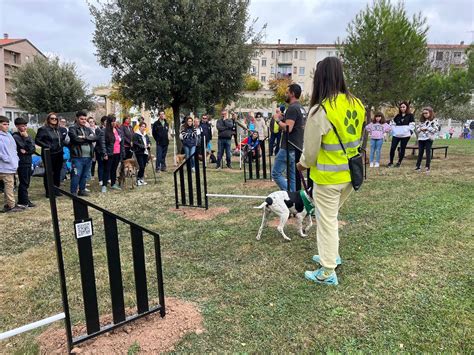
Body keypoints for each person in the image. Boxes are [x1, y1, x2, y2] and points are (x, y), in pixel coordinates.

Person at [297, 57, 365, 286]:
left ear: (320, 78)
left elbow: (311, 152)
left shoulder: (321, 110)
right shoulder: (357, 103)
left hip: (328, 178)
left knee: (326, 221)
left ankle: (327, 270)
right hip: (351, 175)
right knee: (330, 218)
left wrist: (302, 164)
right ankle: (331, 256)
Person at [271, 83, 306, 192]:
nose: (285, 94)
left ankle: (290, 194)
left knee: (276, 173)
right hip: (297, 147)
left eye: (287, 92)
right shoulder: (301, 108)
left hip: (288, 147)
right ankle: (294, 198)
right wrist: (284, 116)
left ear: (292, 94)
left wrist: (277, 120)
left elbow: (288, 128)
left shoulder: (292, 108)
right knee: (292, 177)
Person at [68, 111, 97, 196]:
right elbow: (76, 139)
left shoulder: (87, 129)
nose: (84, 121)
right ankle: (73, 192)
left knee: (84, 175)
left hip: (88, 156)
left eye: (85, 119)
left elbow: (95, 138)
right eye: (81, 119)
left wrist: (84, 137)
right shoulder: (72, 128)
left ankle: (82, 190)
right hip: (77, 157)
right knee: (76, 175)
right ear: (77, 118)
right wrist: (88, 138)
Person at [35, 112, 64, 197]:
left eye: (55, 118)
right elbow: (37, 140)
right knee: (49, 172)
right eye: (52, 118)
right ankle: (49, 191)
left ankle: (56, 190)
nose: (54, 120)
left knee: (57, 172)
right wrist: (47, 146)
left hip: (59, 153)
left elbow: (61, 140)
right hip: (49, 153)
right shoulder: (43, 129)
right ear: (48, 119)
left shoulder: (58, 129)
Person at [0, 116, 23, 212]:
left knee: (10, 185)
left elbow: (13, 149)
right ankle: (11, 206)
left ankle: (8, 204)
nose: (7, 126)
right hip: (4, 166)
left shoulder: (8, 135)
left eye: (8, 124)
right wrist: (7, 159)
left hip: (12, 165)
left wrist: (15, 159)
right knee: (9, 185)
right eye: (4, 124)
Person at [12, 117, 36, 208]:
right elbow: (23, 147)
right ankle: (23, 201)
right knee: (24, 181)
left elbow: (32, 149)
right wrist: (26, 141)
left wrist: (27, 139)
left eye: (26, 125)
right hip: (22, 161)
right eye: (23, 126)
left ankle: (24, 199)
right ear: (17, 126)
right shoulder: (16, 136)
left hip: (28, 160)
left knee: (27, 181)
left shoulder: (26, 135)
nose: (25, 128)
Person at [387, 101, 415, 167]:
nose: (402, 108)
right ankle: (391, 162)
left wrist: (407, 130)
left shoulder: (410, 116)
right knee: (393, 148)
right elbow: (393, 124)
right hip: (396, 135)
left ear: (407, 107)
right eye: (401, 107)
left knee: (402, 148)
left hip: (405, 135)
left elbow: (412, 125)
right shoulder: (397, 116)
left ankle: (399, 162)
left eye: (404, 107)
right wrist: (394, 130)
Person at [102, 115, 124, 192]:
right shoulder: (105, 131)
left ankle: (113, 183)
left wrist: (122, 153)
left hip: (117, 153)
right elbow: (103, 143)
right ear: (109, 122)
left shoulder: (118, 131)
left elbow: (121, 143)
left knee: (114, 169)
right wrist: (105, 153)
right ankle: (104, 185)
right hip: (109, 153)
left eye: (115, 121)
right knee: (107, 169)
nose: (114, 123)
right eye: (112, 121)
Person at [415, 107, 439, 173]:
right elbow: (417, 129)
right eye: (423, 113)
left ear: (430, 113)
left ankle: (427, 166)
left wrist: (427, 129)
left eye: (426, 113)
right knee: (420, 152)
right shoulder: (421, 121)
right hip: (421, 138)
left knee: (428, 152)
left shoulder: (434, 121)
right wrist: (420, 129)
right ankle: (418, 166)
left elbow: (436, 129)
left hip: (429, 138)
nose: (425, 114)